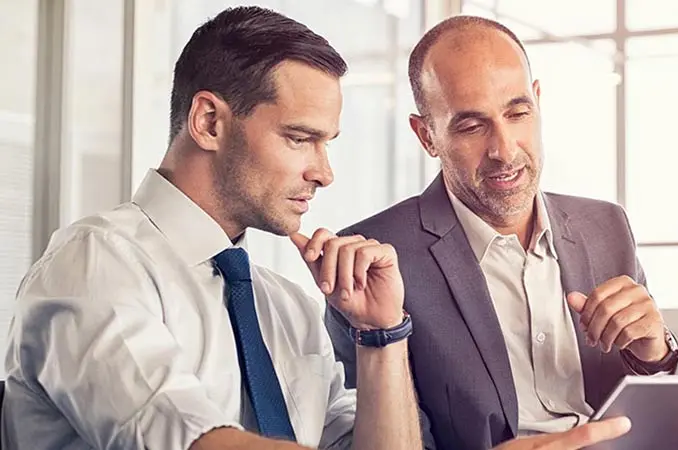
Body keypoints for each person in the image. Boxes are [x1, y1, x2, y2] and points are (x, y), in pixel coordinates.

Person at [1, 7, 422, 450]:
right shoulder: (93, 265)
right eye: (300, 139)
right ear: (208, 122)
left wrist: (381, 334)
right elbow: (186, 441)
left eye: (326, 144)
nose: (324, 173)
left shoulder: (289, 308)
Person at [324, 15, 678, 450]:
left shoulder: (606, 226)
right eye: (471, 126)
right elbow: (374, 439)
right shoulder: (373, 260)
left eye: (517, 113)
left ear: (537, 102)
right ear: (427, 136)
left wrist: (657, 352)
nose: (504, 149)